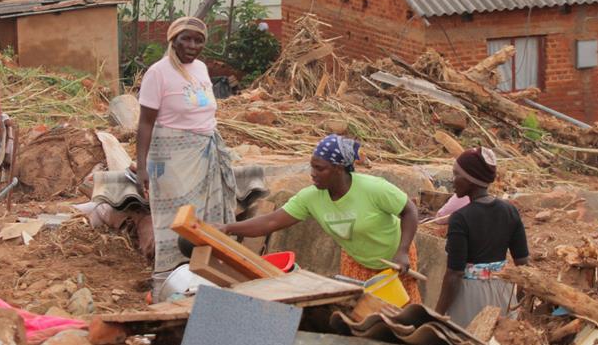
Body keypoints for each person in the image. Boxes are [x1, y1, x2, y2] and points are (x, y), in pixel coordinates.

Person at [221, 135, 422, 301]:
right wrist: (228, 228)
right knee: (361, 312)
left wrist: (402, 251)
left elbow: (409, 211)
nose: (312, 174)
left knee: (401, 312)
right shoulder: (311, 197)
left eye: (320, 168)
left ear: (339, 168)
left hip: (395, 258)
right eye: (312, 167)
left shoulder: (373, 188)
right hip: (356, 262)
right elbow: (271, 221)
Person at [136, 16, 236, 295]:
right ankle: (169, 283)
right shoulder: (158, 73)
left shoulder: (202, 68)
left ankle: (204, 276)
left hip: (206, 152)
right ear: (173, 39)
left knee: (204, 218)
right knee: (177, 220)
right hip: (171, 158)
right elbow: (145, 123)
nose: (192, 45)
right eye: (186, 39)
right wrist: (141, 166)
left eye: (198, 40)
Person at [434, 147, 529, 327]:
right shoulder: (510, 211)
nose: (452, 181)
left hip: (470, 297)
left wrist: (436, 314)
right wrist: (518, 302)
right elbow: (523, 263)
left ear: (471, 180)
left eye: (456, 175)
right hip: (504, 292)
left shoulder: (460, 218)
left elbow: (455, 273)